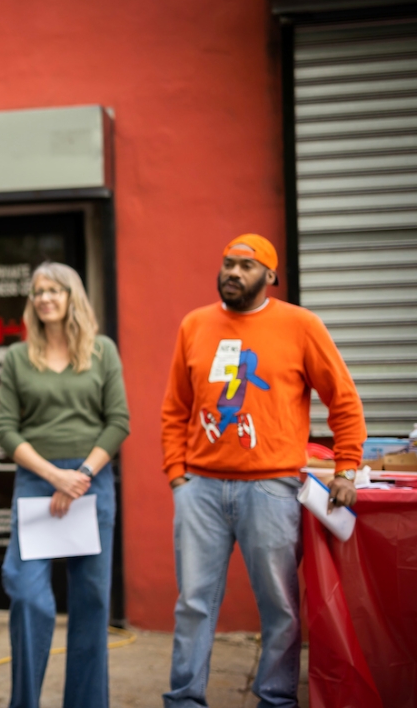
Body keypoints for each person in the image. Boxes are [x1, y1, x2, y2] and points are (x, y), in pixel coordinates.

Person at [161, 233, 364, 708]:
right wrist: (177, 475)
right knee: (193, 603)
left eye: (246, 267)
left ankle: (275, 700)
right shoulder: (195, 325)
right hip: (201, 489)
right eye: (228, 263)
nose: (233, 273)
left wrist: (347, 468)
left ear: (270, 277)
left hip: (271, 489)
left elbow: (344, 401)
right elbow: (175, 408)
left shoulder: (300, 325)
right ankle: (184, 700)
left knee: (281, 609)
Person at [0, 261, 131, 708]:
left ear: (72, 297)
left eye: (54, 290)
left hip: (92, 482)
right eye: (38, 291)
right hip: (38, 481)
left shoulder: (102, 351)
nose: (45, 298)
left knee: (91, 603)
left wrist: (82, 477)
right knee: (28, 594)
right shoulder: (18, 357)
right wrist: (55, 476)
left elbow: (118, 422)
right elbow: (7, 432)